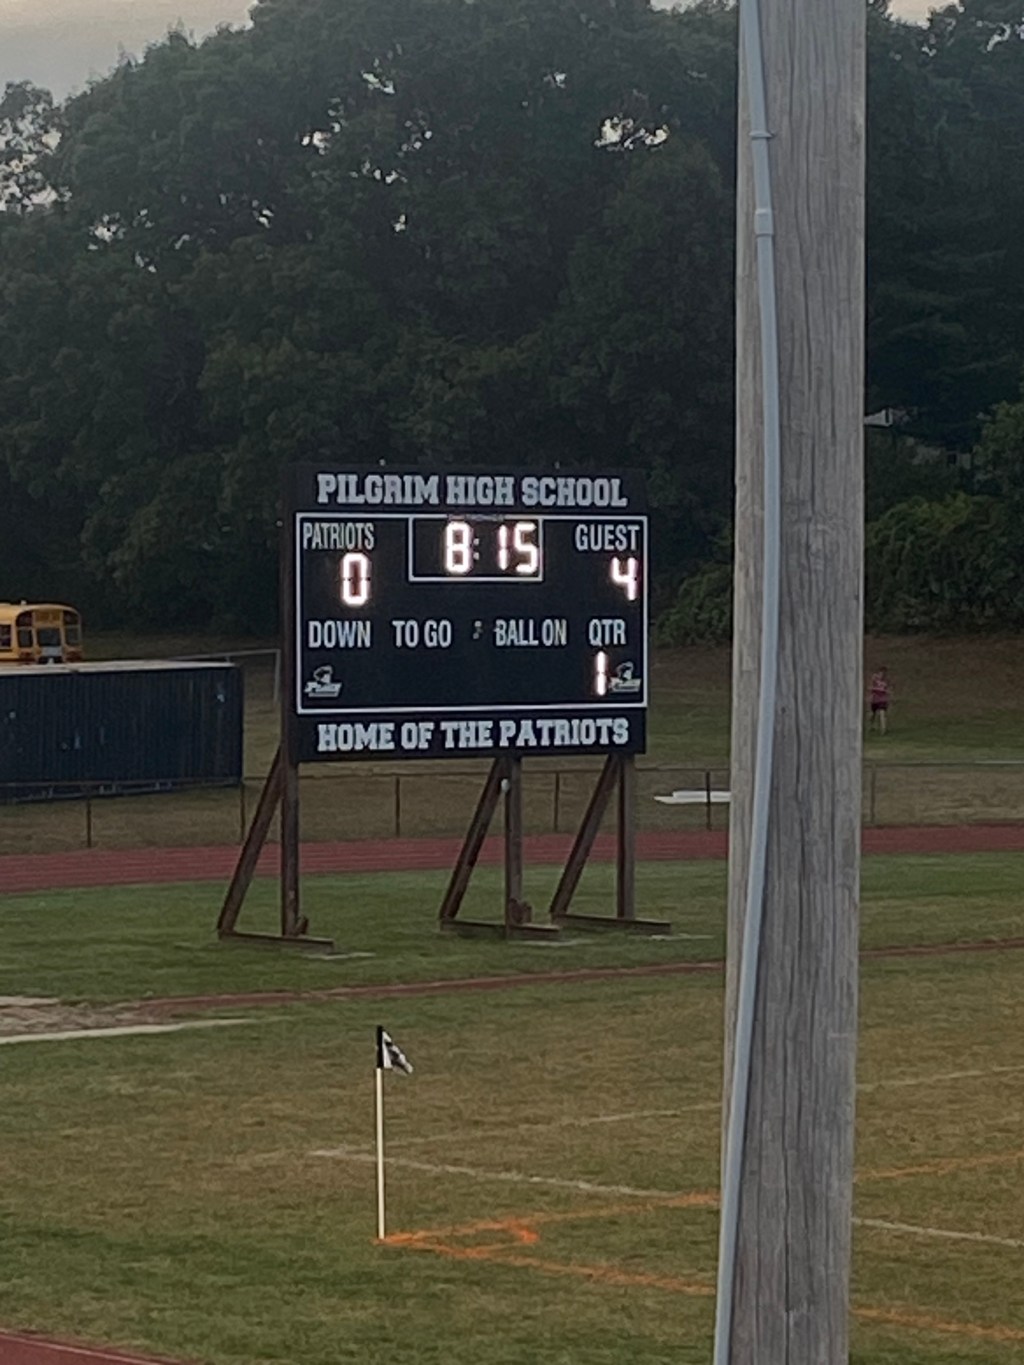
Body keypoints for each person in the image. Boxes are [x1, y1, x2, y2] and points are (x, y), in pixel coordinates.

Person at [868, 666, 891, 735]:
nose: (882, 675)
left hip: (882, 700)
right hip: (875, 699)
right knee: (872, 715)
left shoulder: (886, 681)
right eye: (881, 674)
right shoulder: (874, 679)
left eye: (884, 674)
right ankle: (871, 726)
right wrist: (875, 690)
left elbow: (889, 690)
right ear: (878, 673)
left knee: (882, 714)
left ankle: (883, 730)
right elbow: (870, 687)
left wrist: (886, 691)